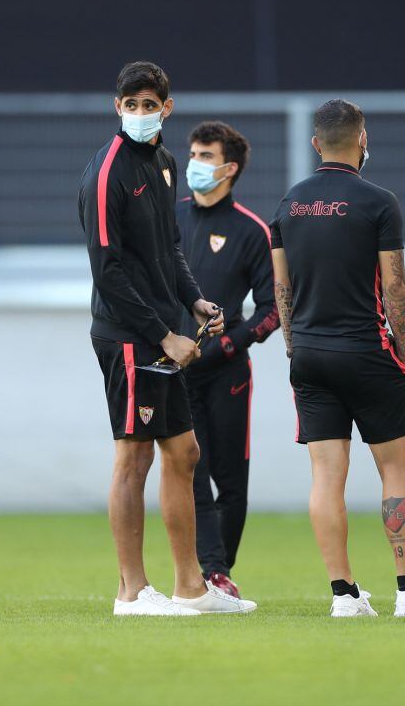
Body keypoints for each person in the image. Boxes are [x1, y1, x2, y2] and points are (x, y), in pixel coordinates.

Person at [79, 61, 254, 616]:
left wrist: (195, 299)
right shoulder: (106, 172)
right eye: (129, 104)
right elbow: (107, 269)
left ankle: (191, 588)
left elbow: (170, 248)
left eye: (148, 104)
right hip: (128, 337)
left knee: (184, 452)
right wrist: (163, 334)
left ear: (166, 108)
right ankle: (131, 591)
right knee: (133, 460)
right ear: (117, 108)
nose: (138, 113)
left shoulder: (166, 163)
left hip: (162, 334)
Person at [270, 99, 405, 618]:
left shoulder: (289, 205)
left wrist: (291, 345)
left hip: (308, 355)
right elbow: (395, 283)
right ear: (362, 139)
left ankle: (344, 595)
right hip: (367, 354)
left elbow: (282, 286)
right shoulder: (378, 202)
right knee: (397, 472)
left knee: (326, 477)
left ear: (315, 142)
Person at [176, 121, 279, 598]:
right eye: (192, 154)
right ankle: (210, 572)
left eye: (205, 156)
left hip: (227, 373)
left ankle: (221, 570)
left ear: (229, 168)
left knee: (230, 480)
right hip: (176, 369)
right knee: (191, 470)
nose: (194, 164)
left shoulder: (252, 231)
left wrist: (226, 345)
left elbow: (274, 308)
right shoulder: (168, 219)